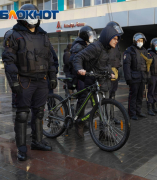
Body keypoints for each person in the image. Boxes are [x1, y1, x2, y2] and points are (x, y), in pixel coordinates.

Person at [2, 4, 57, 161]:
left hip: (42, 81)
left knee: (39, 112)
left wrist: (52, 76)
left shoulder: (43, 35)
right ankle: (21, 147)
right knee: (22, 114)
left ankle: (37, 141)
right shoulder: (13, 35)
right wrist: (14, 82)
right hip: (24, 81)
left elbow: (50, 59)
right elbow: (9, 60)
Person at [73, 22, 122, 139]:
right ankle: (80, 122)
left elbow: (106, 64)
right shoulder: (95, 47)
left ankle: (103, 134)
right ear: (108, 37)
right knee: (97, 111)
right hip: (94, 82)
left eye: (117, 39)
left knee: (104, 111)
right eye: (114, 38)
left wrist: (110, 72)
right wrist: (79, 68)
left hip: (104, 83)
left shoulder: (108, 49)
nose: (116, 41)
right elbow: (78, 57)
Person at [69, 25, 97, 138]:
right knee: (82, 99)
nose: (91, 37)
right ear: (85, 36)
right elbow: (74, 61)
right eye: (90, 35)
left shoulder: (87, 45)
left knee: (88, 98)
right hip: (80, 77)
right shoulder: (78, 47)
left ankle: (81, 120)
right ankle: (78, 124)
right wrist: (81, 69)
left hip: (87, 76)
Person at [123, 33, 151, 120]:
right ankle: (132, 113)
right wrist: (128, 78)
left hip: (142, 77)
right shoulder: (130, 50)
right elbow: (126, 65)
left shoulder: (145, 51)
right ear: (135, 41)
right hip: (134, 77)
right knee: (133, 96)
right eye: (138, 40)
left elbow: (147, 65)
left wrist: (148, 77)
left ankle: (138, 111)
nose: (140, 42)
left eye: (141, 41)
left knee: (140, 96)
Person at [107, 21, 124, 125]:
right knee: (106, 97)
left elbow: (118, 58)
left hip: (115, 72)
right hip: (107, 73)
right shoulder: (105, 44)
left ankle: (112, 117)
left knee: (112, 96)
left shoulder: (116, 45)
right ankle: (105, 118)